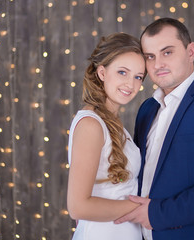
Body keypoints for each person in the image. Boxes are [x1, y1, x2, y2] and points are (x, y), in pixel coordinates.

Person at [114, 18, 194, 240]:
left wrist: (158, 214)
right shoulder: (147, 108)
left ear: (191, 51)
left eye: (167, 52)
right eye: (150, 56)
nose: (158, 65)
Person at [67, 32, 146, 240]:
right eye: (122, 72)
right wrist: (141, 207)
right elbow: (78, 206)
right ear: (102, 72)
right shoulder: (91, 125)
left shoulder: (114, 125)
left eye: (138, 76)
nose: (131, 84)